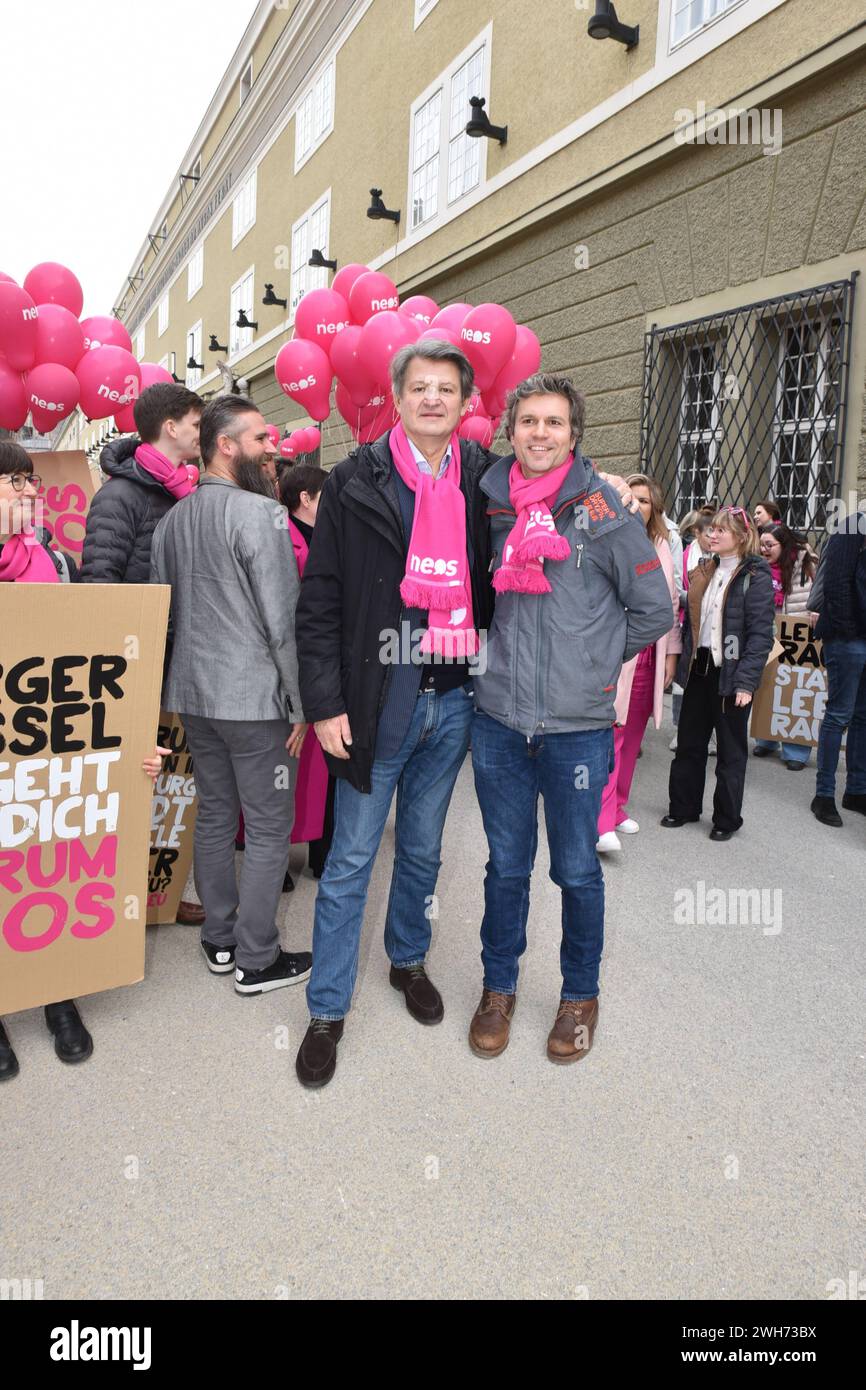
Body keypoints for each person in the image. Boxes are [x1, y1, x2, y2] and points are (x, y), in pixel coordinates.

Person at [292, 341, 637, 1087]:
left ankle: (407, 960)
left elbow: (564, 491)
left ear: (464, 402)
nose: (432, 400)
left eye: (446, 389)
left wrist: (603, 488)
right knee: (351, 860)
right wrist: (322, 703)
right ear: (397, 395)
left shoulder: (487, 479)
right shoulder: (356, 481)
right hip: (374, 703)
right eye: (419, 388)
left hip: (454, 705)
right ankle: (326, 1010)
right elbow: (317, 605)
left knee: (421, 852)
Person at [469, 376, 674, 1063]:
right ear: (512, 431)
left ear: (573, 433)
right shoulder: (490, 504)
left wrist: (591, 665)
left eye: (553, 422)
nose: (539, 433)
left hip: (576, 730)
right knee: (505, 866)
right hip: (498, 722)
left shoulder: (602, 511)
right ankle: (499, 988)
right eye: (528, 421)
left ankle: (579, 995)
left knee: (578, 871)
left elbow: (654, 609)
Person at [0, 441, 165, 1081]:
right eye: (10, 481)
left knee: (43, 863)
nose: (25, 490)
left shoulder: (59, 566)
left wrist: (125, 744)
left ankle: (56, 992)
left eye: (27, 479)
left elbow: (91, 674)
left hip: (50, 753)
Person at [150, 396, 312, 995]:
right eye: (261, 439)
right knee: (270, 827)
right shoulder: (260, 515)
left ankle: (219, 939)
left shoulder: (173, 520)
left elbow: (161, 611)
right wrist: (301, 705)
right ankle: (257, 958)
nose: (273, 449)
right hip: (252, 702)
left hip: (193, 696)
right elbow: (282, 620)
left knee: (215, 815)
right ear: (225, 445)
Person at [80, 382, 206, 929]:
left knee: (173, 776)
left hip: (177, 652)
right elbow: (99, 585)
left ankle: (161, 885)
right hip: (134, 663)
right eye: (197, 424)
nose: (203, 434)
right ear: (171, 427)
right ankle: (118, 895)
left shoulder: (186, 490)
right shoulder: (121, 495)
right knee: (137, 776)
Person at [663, 506, 774, 840]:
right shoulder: (705, 569)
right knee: (689, 744)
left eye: (720, 531)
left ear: (740, 537)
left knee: (730, 751)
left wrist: (746, 682)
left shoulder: (755, 576)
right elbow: (693, 617)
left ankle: (726, 819)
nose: (711, 535)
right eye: (710, 530)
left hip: (732, 674)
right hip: (700, 668)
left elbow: (760, 636)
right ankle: (683, 807)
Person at [596, 474, 681, 851]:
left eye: (646, 501)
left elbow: (673, 605)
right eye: (633, 498)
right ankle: (599, 821)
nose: (638, 505)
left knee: (632, 740)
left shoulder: (663, 545)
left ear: (655, 509)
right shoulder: (610, 537)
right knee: (611, 737)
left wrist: (671, 658)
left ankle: (617, 808)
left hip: (651, 656)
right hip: (619, 653)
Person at [277, 463, 334, 878]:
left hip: (322, 666)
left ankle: (321, 855)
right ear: (306, 499)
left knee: (321, 772)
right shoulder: (282, 540)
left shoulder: (329, 537)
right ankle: (276, 864)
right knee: (285, 769)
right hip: (291, 668)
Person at [810, 507, 866, 827]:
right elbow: (836, 581)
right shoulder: (854, 524)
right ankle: (824, 795)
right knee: (840, 714)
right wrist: (846, 629)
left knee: (863, 716)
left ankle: (857, 790)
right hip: (848, 637)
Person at [753, 523, 818, 770]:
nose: (764, 549)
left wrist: (816, 610)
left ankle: (796, 751)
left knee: (795, 689)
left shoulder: (806, 562)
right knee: (768, 684)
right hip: (768, 629)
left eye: (770, 545)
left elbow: (819, 592)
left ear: (785, 544)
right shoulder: (759, 565)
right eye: (762, 544)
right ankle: (765, 739)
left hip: (798, 632)